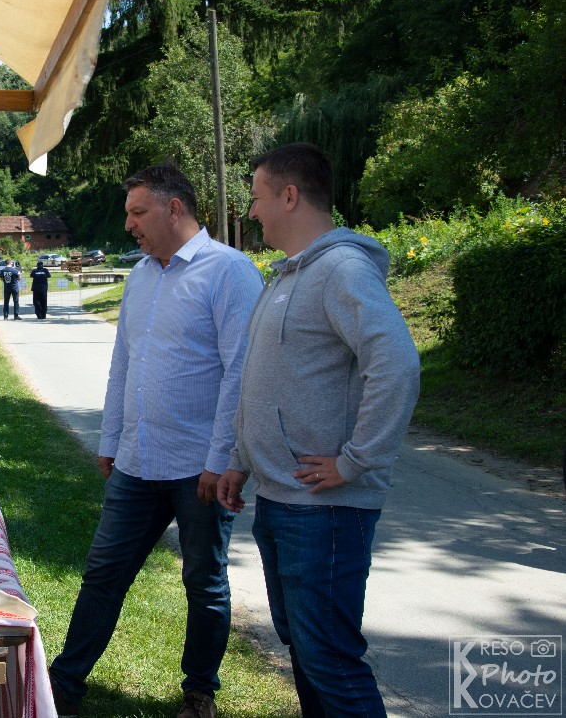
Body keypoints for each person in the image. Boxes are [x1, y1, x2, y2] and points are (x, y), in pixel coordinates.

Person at [49, 164, 263, 718]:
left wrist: (221, 459)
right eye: (129, 213)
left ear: (174, 208)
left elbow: (241, 374)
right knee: (103, 573)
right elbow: (124, 363)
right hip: (136, 462)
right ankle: (63, 686)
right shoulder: (140, 276)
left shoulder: (230, 271)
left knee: (204, 581)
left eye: (137, 212)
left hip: (199, 468)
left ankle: (199, 692)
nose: (129, 224)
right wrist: (111, 437)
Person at [217, 143, 420, 717]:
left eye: (257, 197)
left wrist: (356, 460)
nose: (251, 212)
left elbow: (396, 364)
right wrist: (240, 459)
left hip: (324, 510)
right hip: (283, 500)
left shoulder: (341, 269)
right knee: (307, 653)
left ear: (289, 196)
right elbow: (269, 380)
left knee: (329, 658)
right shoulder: (287, 276)